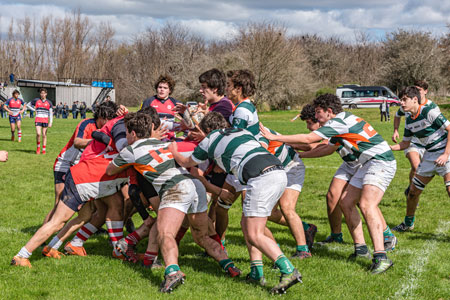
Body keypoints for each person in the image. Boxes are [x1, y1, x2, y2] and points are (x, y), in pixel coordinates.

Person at [260, 93, 397, 274]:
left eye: (318, 112)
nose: (316, 117)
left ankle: (381, 256)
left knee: (367, 204)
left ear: (329, 111)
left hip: (380, 161)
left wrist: (275, 137)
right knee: (345, 202)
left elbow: (309, 139)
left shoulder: (338, 121)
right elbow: (327, 148)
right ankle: (361, 248)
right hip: (366, 163)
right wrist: (301, 155)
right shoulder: (341, 122)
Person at [106, 112, 241, 293]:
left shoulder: (130, 150)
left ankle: (172, 272)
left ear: (132, 133)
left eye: (126, 133)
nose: (125, 137)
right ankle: (229, 265)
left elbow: (110, 170)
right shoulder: (160, 143)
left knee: (165, 233)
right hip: (195, 186)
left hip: (175, 188)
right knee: (202, 236)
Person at [170, 112, 302, 294]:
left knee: (255, 233)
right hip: (277, 172)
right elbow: (262, 143)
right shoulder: (240, 130)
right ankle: (257, 271)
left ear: (207, 130)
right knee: (247, 224)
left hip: (260, 177)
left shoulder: (210, 139)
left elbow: (186, 161)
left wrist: (173, 151)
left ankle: (288, 270)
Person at [390, 86, 450, 232]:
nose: (401, 103)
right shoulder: (409, 120)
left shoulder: (429, 112)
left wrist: (446, 154)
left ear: (415, 99)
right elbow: (405, 143)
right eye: (400, 100)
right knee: (413, 192)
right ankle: (408, 223)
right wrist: (387, 148)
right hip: (429, 156)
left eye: (404, 100)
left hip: (445, 153)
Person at [392, 80, 434, 197]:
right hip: (412, 142)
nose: (417, 92)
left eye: (419, 90)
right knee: (416, 166)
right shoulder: (406, 104)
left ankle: (412, 190)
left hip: (427, 144)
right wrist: (395, 130)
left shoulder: (430, 107)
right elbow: (397, 115)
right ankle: (412, 193)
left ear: (425, 91)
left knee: (417, 170)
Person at [31, 88, 53, 154]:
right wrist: (34, 109)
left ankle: (43, 149)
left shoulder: (49, 102)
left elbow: (51, 113)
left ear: (46, 94)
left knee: (44, 135)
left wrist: (51, 122)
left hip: (45, 120)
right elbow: (28, 105)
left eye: (44, 93)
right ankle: (38, 148)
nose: (43, 94)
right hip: (38, 119)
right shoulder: (36, 100)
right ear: (40, 94)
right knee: (38, 134)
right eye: (41, 93)